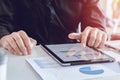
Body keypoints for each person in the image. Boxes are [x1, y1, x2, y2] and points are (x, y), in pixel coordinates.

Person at [0, 0, 107, 56]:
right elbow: (2, 22)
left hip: (70, 56)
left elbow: (95, 23)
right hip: (24, 54)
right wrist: (4, 37)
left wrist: (96, 33)